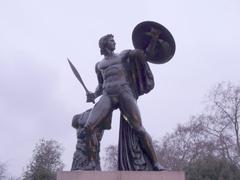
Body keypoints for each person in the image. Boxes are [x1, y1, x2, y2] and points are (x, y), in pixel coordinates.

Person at [83, 30, 164, 170]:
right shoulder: (99, 65)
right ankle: (91, 163)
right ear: (104, 44)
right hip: (108, 95)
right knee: (89, 127)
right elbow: (101, 85)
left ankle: (156, 163)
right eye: (111, 40)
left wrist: (154, 40)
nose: (114, 42)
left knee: (138, 128)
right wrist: (93, 95)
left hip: (124, 92)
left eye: (114, 40)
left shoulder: (123, 55)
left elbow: (144, 55)